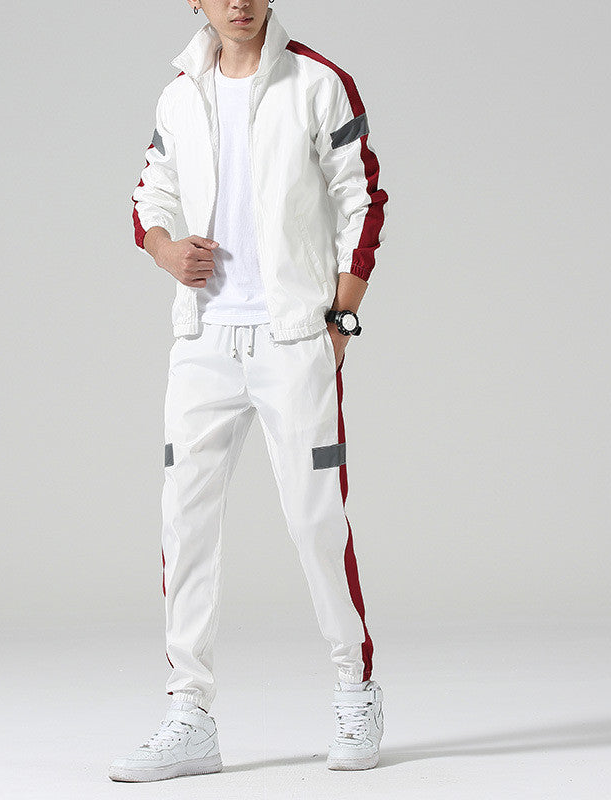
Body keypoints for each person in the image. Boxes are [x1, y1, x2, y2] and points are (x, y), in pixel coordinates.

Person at [109, 0, 388, 782]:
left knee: (315, 519)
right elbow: (150, 194)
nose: (238, 2)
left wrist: (340, 317)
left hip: (293, 339)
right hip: (203, 342)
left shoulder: (318, 83)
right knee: (184, 522)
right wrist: (165, 251)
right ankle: (189, 714)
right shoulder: (180, 93)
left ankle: (355, 688)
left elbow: (363, 198)